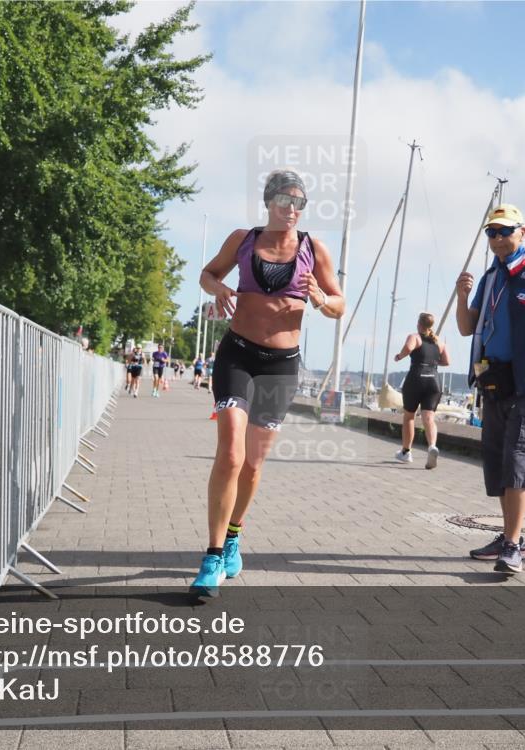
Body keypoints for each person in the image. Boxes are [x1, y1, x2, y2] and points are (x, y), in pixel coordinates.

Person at [190, 169, 345, 597]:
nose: (292, 209)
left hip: (281, 367)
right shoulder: (243, 239)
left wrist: (320, 299)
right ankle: (212, 554)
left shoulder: (315, 249)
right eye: (285, 200)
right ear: (268, 202)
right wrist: (217, 288)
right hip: (237, 355)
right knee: (232, 454)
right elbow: (206, 274)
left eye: (299, 202)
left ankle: (235, 534)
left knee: (254, 464)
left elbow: (338, 305)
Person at [454, 204, 525, 575]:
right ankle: (507, 537)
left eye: (505, 231)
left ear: (522, 232)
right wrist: (461, 295)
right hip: (493, 383)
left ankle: (514, 546)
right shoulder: (489, 279)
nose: (498, 238)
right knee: (500, 467)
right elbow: (467, 328)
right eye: (492, 232)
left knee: (518, 464)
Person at [392, 312, 450, 469]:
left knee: (409, 416)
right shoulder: (439, 341)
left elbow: (408, 348)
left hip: (416, 379)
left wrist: (399, 356)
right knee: (429, 418)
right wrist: (432, 362)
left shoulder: (415, 337)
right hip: (434, 381)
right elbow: (446, 361)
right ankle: (432, 446)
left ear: (419, 324)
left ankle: (406, 452)